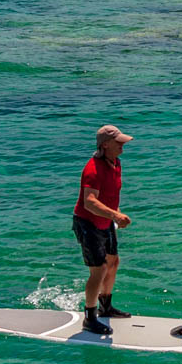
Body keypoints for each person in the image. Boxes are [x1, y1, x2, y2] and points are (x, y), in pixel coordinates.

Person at [73, 124, 133, 334]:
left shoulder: (115, 163)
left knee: (113, 262)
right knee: (98, 270)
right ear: (105, 145)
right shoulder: (93, 169)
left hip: (105, 221)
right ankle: (89, 318)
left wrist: (115, 214)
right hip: (88, 223)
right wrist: (115, 215)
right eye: (118, 142)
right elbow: (89, 202)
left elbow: (110, 193)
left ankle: (105, 307)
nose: (122, 146)